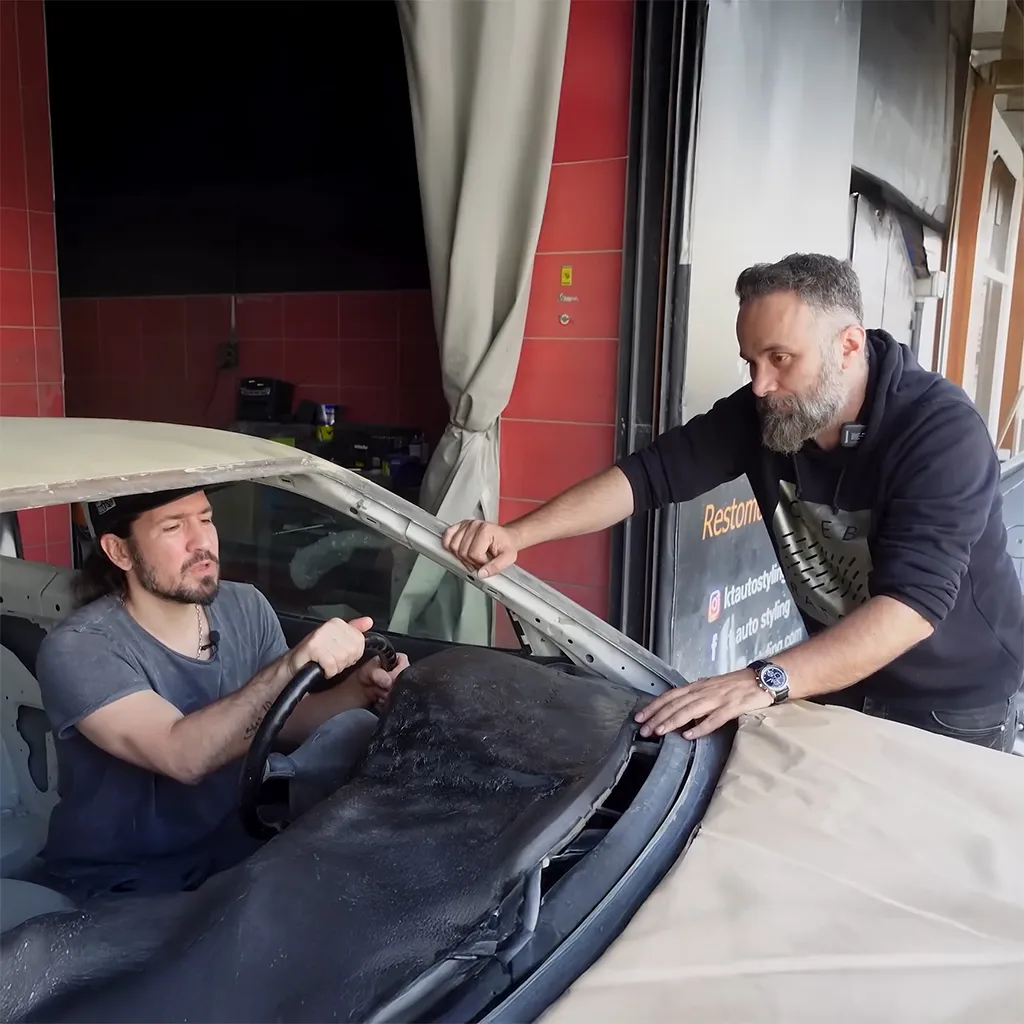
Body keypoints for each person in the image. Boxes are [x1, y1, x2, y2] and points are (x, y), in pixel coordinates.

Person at [444, 253, 1023, 752]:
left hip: (952, 702)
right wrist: (518, 534)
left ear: (848, 346)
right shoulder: (767, 411)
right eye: (751, 362)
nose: (761, 385)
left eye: (780, 358)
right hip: (839, 679)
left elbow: (910, 608)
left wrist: (762, 679)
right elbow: (648, 476)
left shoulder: (939, 432)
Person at [31, 487, 409, 901]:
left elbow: (282, 719)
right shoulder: (80, 647)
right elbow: (181, 756)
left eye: (206, 519)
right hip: (125, 880)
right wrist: (288, 667)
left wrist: (357, 691)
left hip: (236, 852)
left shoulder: (246, 606)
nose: (202, 541)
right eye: (173, 527)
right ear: (120, 552)